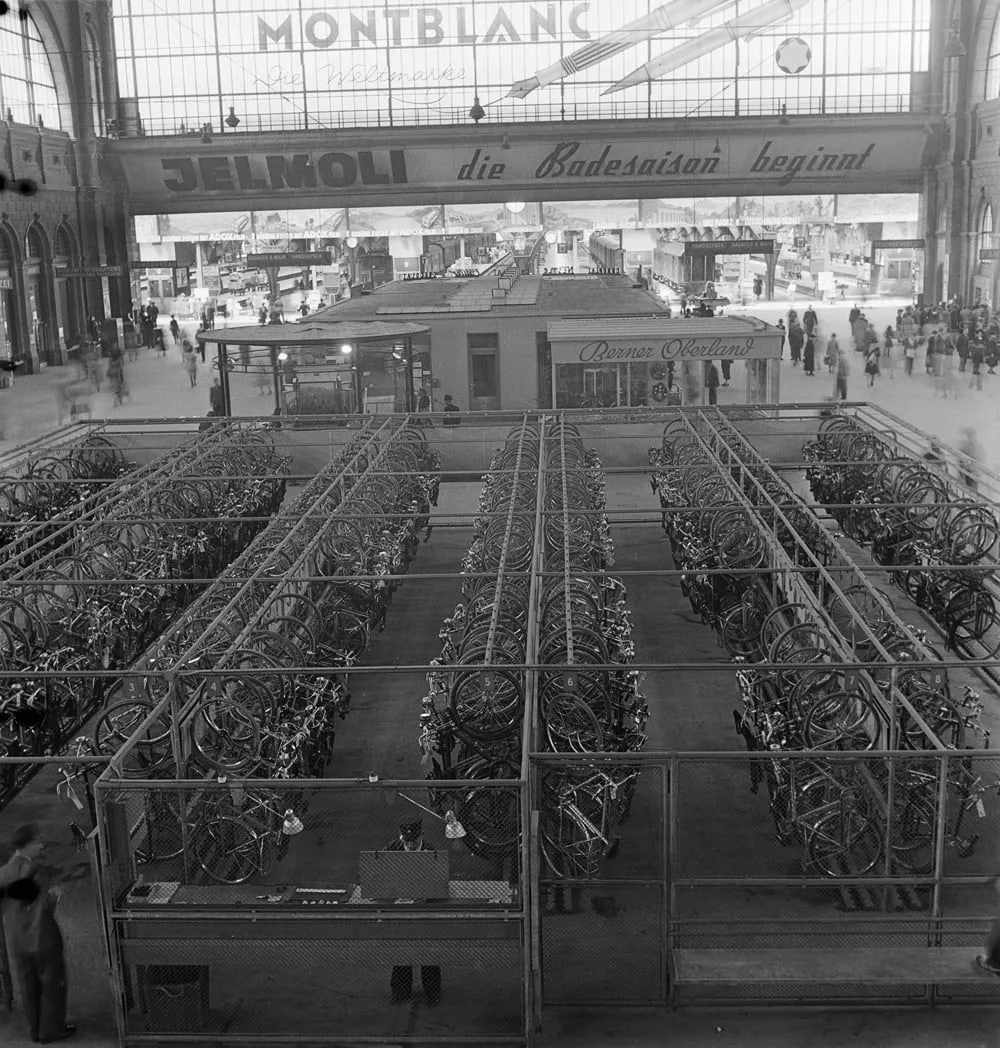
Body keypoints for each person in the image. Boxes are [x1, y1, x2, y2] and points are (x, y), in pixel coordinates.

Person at [0, 824, 75, 1043]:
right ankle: (52, 1031)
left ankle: (34, 1030)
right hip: (41, 938)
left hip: (16, 940)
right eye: (37, 842)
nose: (41, 846)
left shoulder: (2, 873)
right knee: (52, 984)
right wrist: (54, 897)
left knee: (27, 984)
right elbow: (43, 906)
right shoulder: (38, 871)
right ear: (27, 845)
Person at [387, 820, 441, 1006]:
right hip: (400, 906)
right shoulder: (392, 849)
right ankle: (400, 992)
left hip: (424, 909)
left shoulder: (431, 852)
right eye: (406, 841)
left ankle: (432, 993)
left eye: (413, 841)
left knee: (428, 950)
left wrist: (427, 896)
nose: (409, 845)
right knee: (401, 949)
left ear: (421, 836)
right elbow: (378, 873)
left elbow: (440, 880)